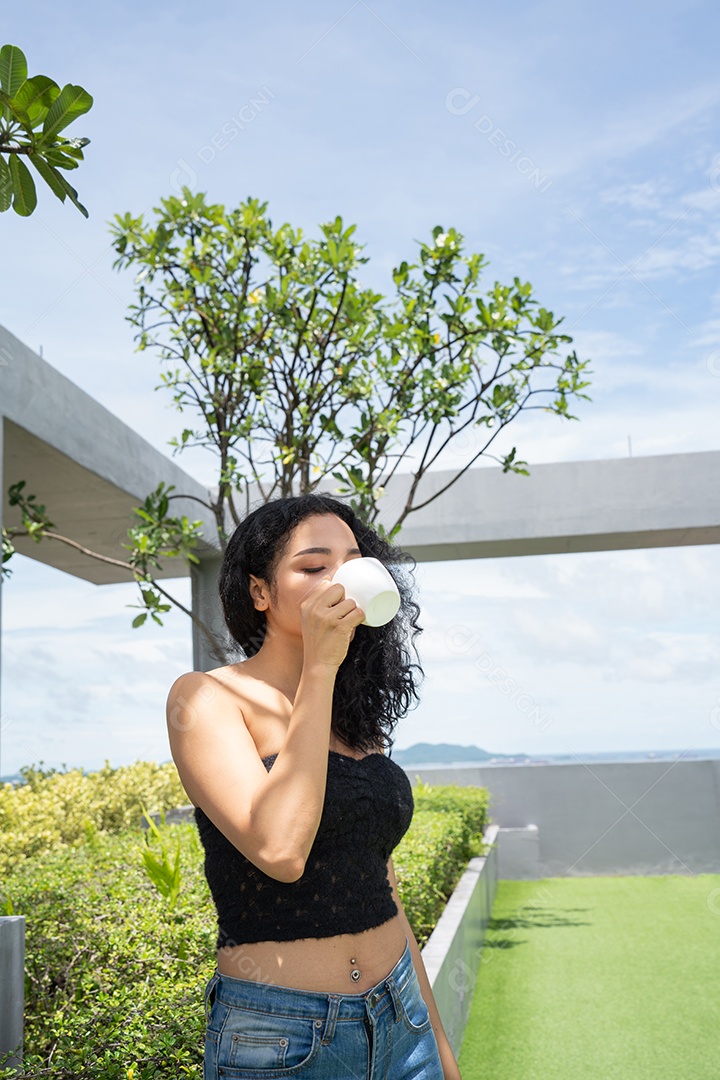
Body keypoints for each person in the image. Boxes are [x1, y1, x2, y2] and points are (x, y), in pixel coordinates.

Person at [166, 494, 462, 1079]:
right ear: (260, 592)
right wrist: (321, 668)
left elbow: (383, 888)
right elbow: (280, 851)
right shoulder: (206, 698)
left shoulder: (353, 717)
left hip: (401, 1017)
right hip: (282, 1036)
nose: (339, 581)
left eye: (352, 561)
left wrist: (438, 1043)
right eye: (312, 566)